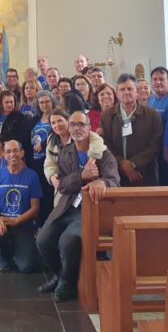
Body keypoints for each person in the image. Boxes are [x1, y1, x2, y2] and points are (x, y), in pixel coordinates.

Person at [36, 111, 120, 301]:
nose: (76, 128)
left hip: (91, 209)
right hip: (67, 206)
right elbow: (63, 185)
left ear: (89, 127)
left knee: (68, 241)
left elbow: (114, 180)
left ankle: (68, 282)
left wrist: (102, 183)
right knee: (43, 240)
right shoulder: (66, 152)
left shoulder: (104, 154)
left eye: (81, 124)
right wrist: (81, 177)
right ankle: (59, 275)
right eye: (73, 125)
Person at [0, 140, 43, 273]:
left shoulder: (32, 176)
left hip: (23, 223)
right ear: (4, 155)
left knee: (26, 266)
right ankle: (4, 256)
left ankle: (17, 250)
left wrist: (16, 221)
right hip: (3, 222)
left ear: (22, 153)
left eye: (15, 150)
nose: (12, 154)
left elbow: (35, 209)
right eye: (8, 151)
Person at [101, 74, 163, 186]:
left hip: (144, 173)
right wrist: (122, 163)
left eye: (130, 89)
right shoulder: (107, 116)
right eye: (122, 89)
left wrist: (133, 164)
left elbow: (155, 145)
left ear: (137, 92)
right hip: (116, 173)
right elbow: (105, 144)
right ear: (117, 93)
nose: (126, 92)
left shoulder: (152, 115)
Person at [31, 90, 57, 225]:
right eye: (41, 102)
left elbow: (59, 134)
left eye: (47, 101)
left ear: (52, 102)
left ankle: (50, 224)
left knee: (48, 193)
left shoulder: (56, 117)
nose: (44, 104)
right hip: (35, 161)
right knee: (38, 193)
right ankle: (40, 224)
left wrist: (43, 143)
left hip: (49, 161)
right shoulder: (35, 119)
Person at [0, 90, 33, 165]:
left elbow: (25, 137)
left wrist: (7, 142)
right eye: (7, 102)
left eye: (11, 102)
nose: (9, 104)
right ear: (1, 103)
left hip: (11, 154)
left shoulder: (19, 117)